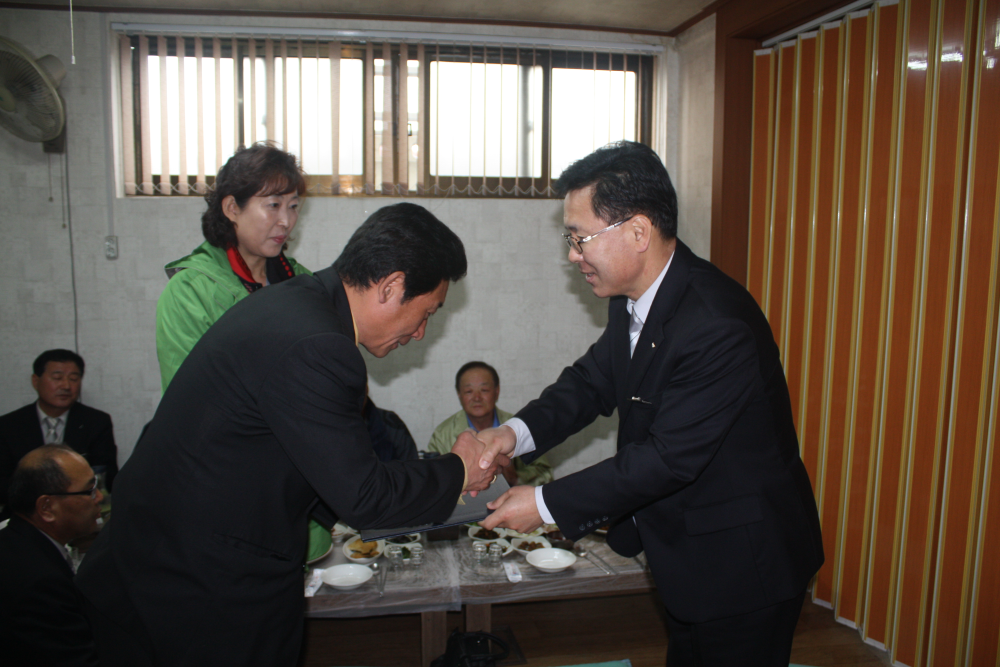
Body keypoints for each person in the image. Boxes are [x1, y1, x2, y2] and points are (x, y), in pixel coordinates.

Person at [75, 203, 508, 667]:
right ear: (391, 286)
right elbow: (365, 497)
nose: (420, 333)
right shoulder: (319, 345)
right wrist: (459, 469)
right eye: (426, 314)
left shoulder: (295, 306)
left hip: (163, 566)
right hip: (195, 586)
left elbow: (333, 474)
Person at [475, 141, 824, 666]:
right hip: (689, 555)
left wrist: (545, 504)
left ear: (638, 232)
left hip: (744, 562)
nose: (572, 256)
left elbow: (666, 458)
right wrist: (513, 434)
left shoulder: (715, 324)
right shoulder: (634, 298)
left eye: (579, 238)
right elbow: (590, 383)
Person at [156, 142, 311, 391]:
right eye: (273, 205)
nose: (286, 221)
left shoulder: (300, 281)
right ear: (232, 208)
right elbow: (190, 395)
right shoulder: (190, 292)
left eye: (293, 207)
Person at [0, 444, 104, 667]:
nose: (99, 497)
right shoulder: (40, 582)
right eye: (89, 491)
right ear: (47, 508)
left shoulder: (13, 541)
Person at [0, 349, 118, 510]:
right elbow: (3, 482)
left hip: (80, 511)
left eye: (73, 379)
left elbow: (107, 476)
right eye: (57, 378)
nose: (66, 386)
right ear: (35, 381)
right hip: (24, 512)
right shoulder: (8, 425)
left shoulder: (96, 422)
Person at [428, 361, 552, 486]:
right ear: (459, 395)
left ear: (497, 392)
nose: (477, 398)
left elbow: (546, 475)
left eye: (484, 390)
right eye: (469, 391)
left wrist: (515, 478)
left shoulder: (519, 427)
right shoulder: (442, 434)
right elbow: (434, 482)